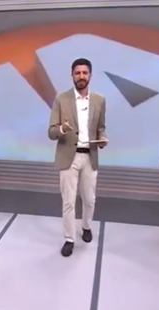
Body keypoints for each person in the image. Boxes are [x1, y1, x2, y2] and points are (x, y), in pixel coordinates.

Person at [47, 58, 107, 257]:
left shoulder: (99, 100)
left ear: (90, 75)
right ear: (72, 75)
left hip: (90, 156)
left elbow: (101, 127)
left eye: (85, 73)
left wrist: (102, 138)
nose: (81, 76)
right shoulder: (61, 99)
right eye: (77, 73)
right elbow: (51, 132)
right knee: (69, 202)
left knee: (89, 200)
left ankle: (86, 226)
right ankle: (69, 239)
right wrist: (63, 128)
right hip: (68, 157)